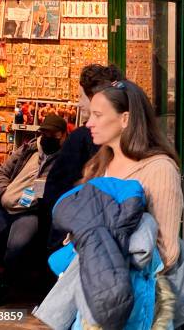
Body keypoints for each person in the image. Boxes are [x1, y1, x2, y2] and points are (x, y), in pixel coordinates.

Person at [83, 80, 184, 329]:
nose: (89, 122)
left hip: (165, 306)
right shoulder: (97, 166)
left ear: (125, 119)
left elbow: (167, 252)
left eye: (98, 115)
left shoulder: (158, 169)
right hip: (113, 298)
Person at [0, 115, 68, 307]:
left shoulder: (64, 160)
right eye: (44, 132)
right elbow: (1, 172)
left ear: (62, 135)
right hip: (2, 208)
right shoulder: (28, 149)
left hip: (29, 213)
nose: (47, 136)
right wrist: (2, 194)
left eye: (53, 134)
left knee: (16, 248)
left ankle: (1, 287)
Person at [42, 64, 123, 253]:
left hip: (78, 241)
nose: (79, 104)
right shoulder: (117, 139)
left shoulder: (82, 139)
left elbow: (56, 191)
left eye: (82, 97)